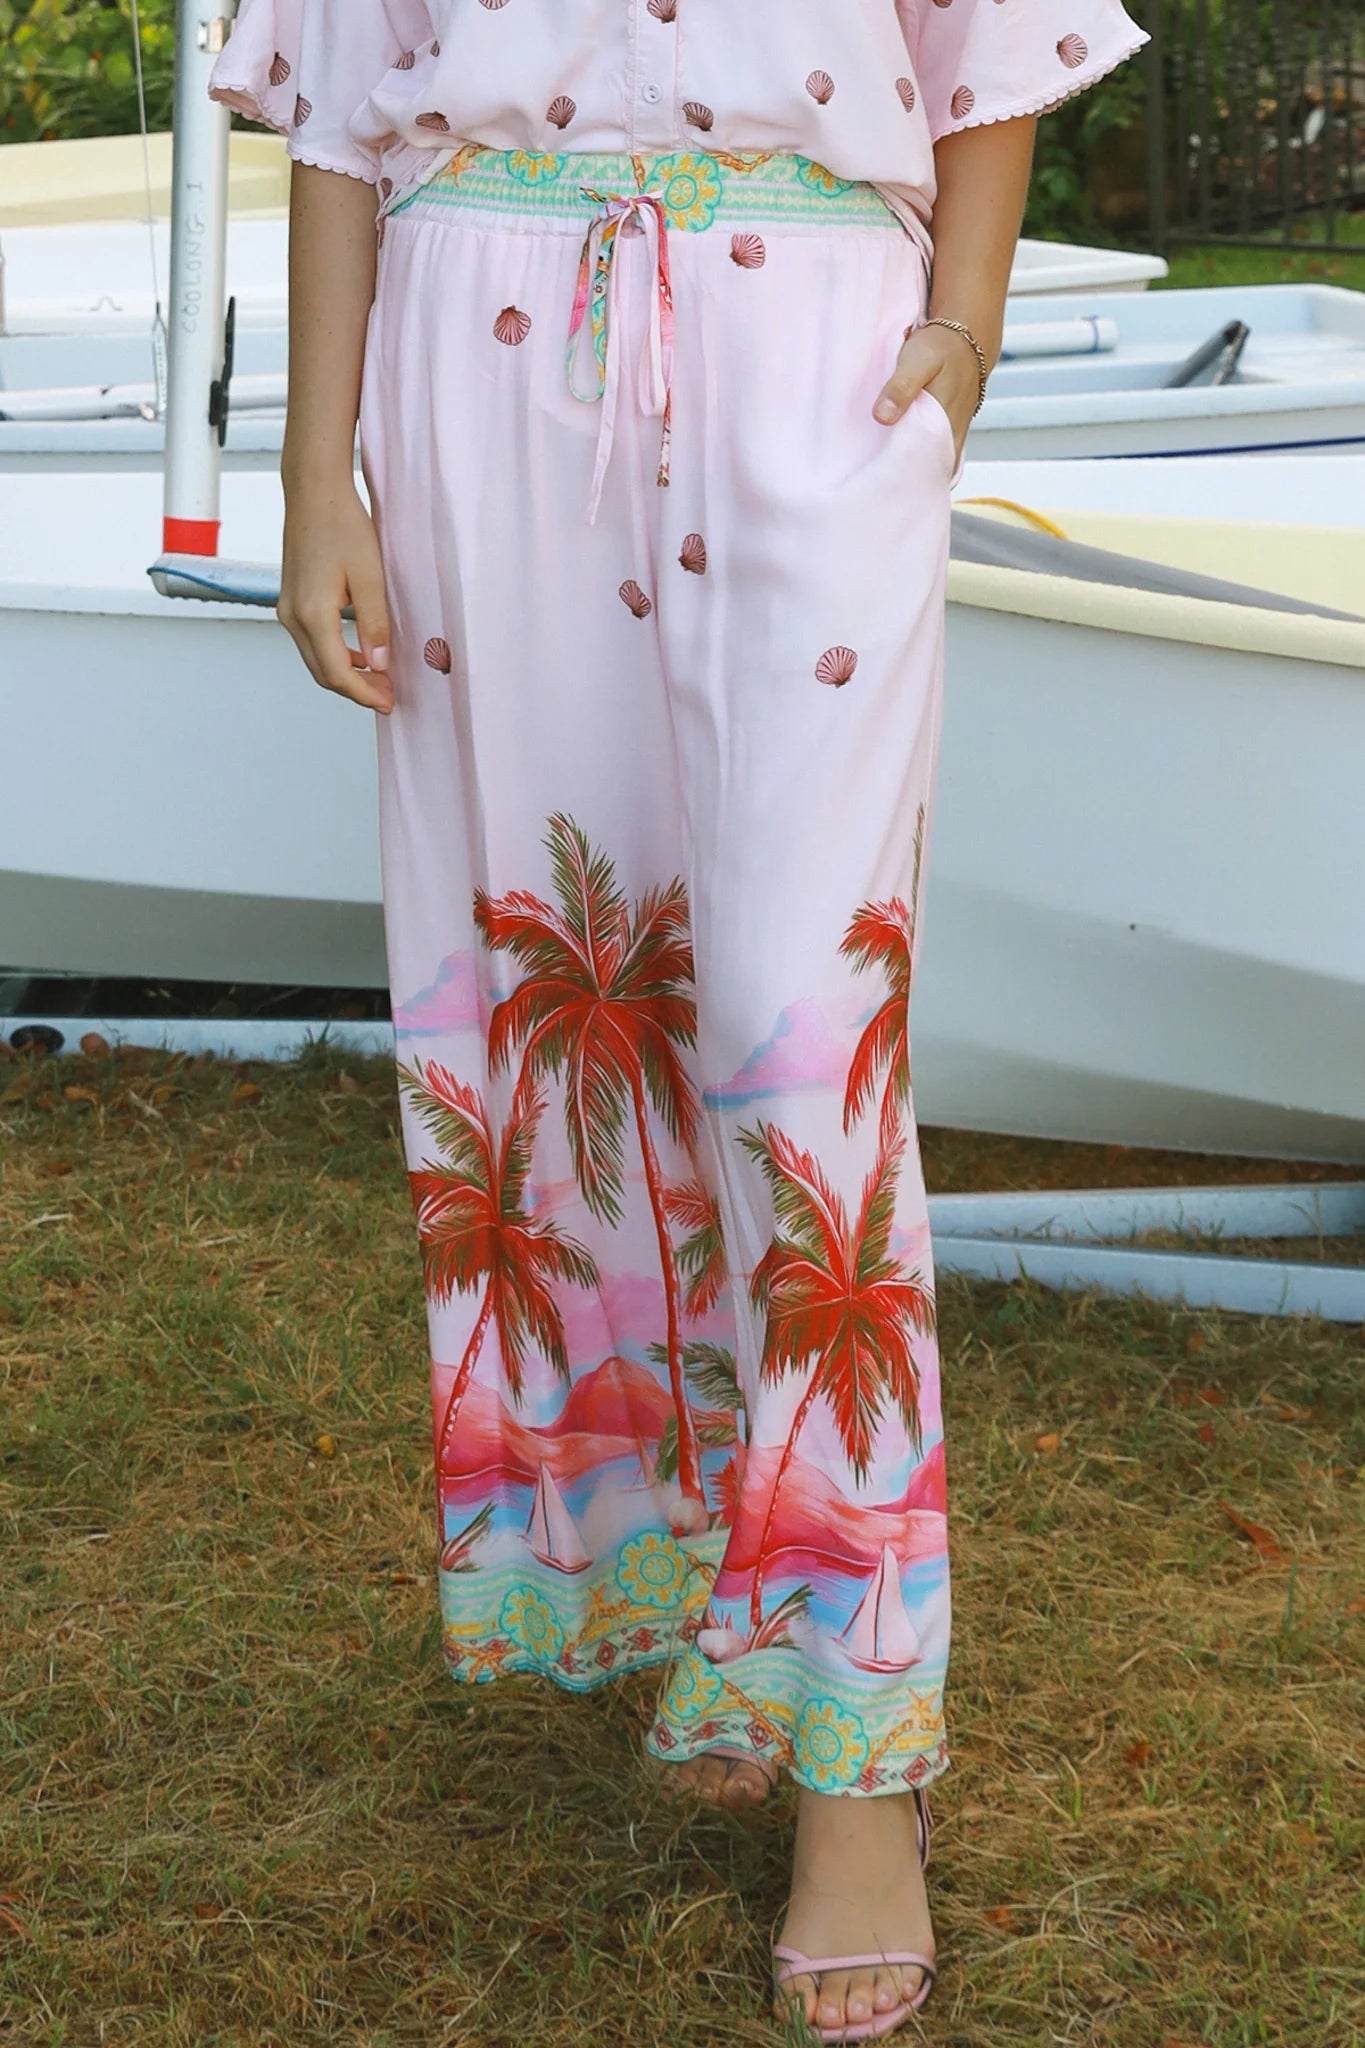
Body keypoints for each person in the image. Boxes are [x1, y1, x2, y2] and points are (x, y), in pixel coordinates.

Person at [210, 3, 1146, 2037]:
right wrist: (311, 468)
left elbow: (990, 40)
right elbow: (340, 99)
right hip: (479, 362)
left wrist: (963, 332)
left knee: (807, 1049)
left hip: (812, 348)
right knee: (567, 1012)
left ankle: (856, 1750)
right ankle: (712, 1603)